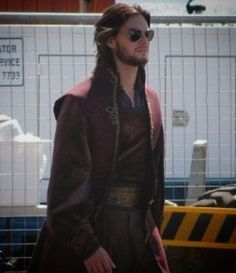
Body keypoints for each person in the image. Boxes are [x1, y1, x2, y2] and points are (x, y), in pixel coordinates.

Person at [28, 3, 170, 273]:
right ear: (110, 40)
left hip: (140, 230)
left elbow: (157, 176)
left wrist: (153, 228)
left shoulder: (152, 99)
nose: (143, 41)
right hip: (93, 231)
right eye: (133, 35)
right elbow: (63, 189)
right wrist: (87, 246)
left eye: (147, 34)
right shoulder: (79, 102)